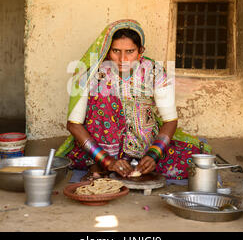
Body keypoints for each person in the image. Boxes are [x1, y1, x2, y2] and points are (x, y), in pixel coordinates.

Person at [56, 19, 211, 180]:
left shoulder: (153, 72)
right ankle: (99, 164)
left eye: (130, 51)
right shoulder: (91, 74)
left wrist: (154, 154)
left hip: (144, 146)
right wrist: (107, 160)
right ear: (107, 51)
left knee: (195, 163)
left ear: (140, 51)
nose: (123, 58)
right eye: (116, 51)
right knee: (103, 98)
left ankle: (140, 163)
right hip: (100, 149)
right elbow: (73, 125)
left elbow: (170, 120)